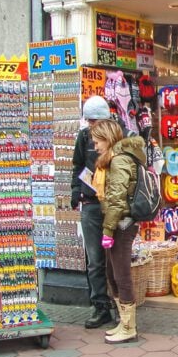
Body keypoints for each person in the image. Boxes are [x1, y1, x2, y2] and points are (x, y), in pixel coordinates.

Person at [90, 119, 146, 344]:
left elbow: (116, 199)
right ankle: (123, 322)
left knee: (121, 275)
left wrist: (107, 230)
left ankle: (129, 327)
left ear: (107, 138)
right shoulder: (114, 158)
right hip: (117, 223)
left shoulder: (119, 160)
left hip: (121, 224)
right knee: (112, 273)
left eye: (97, 142)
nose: (95, 147)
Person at [71, 96, 115, 329]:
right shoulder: (83, 137)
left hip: (114, 205)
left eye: (94, 120)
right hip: (90, 204)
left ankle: (121, 304)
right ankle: (100, 306)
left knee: (116, 258)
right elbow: (78, 165)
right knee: (94, 259)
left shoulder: (120, 135)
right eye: (88, 120)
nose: (90, 125)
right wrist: (75, 192)